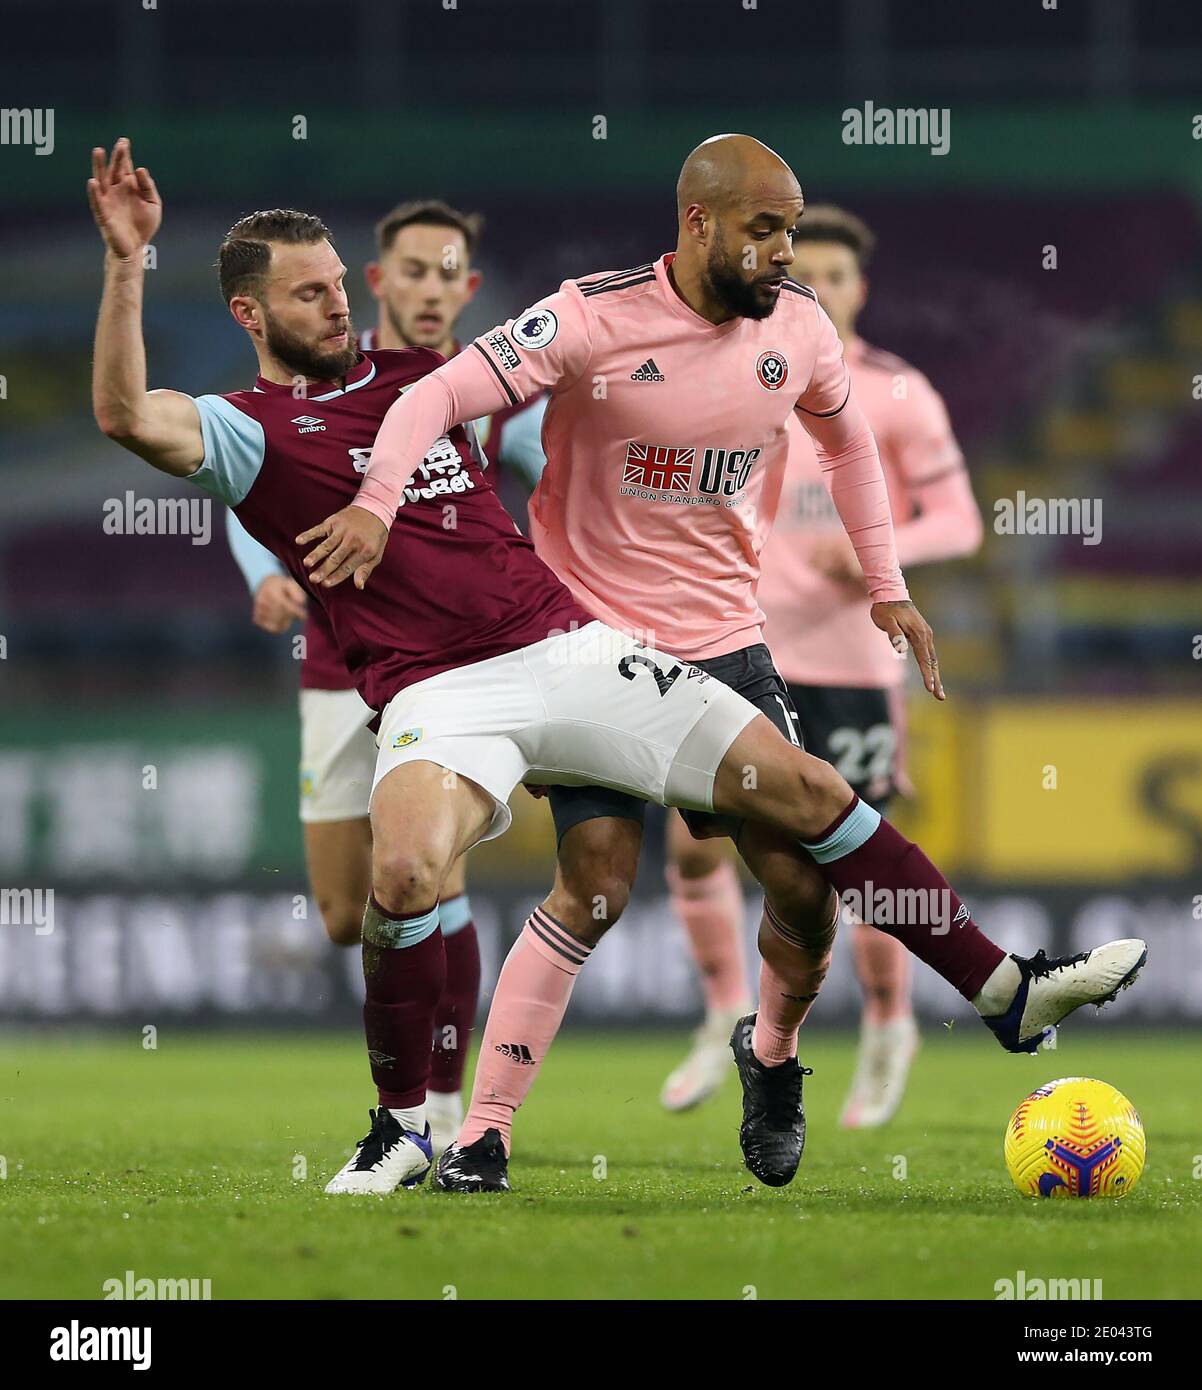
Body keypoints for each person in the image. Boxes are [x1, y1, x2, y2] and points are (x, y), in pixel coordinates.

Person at [291, 134, 1146, 1195]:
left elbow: (845, 447)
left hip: (725, 645)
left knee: (801, 890)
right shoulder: (590, 316)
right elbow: (429, 400)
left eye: (791, 229)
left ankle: (773, 1056)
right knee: (595, 886)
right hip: (588, 649)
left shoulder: (795, 328)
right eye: (763, 229)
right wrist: (376, 506)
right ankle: (482, 1133)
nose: (783, 252)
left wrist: (885, 582)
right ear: (697, 222)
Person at [223, 198, 546, 1152]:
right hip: (336, 663)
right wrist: (268, 577)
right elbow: (245, 479)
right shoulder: (322, 373)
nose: (432, 288)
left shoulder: (479, 389)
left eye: (450, 273)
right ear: (380, 282)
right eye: (414, 270)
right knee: (340, 910)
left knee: (431, 875)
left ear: (470, 287)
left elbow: (554, 470)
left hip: (447, 670)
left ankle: (442, 1103)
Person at [660, 203, 984, 1128]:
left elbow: (962, 518)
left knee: (858, 863)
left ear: (861, 288)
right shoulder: (744, 374)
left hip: (852, 661)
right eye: (811, 278)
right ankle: (724, 1009)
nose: (823, 292)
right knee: (695, 845)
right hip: (745, 650)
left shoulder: (896, 393)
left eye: (838, 278)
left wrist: (889, 555)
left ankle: (888, 1026)